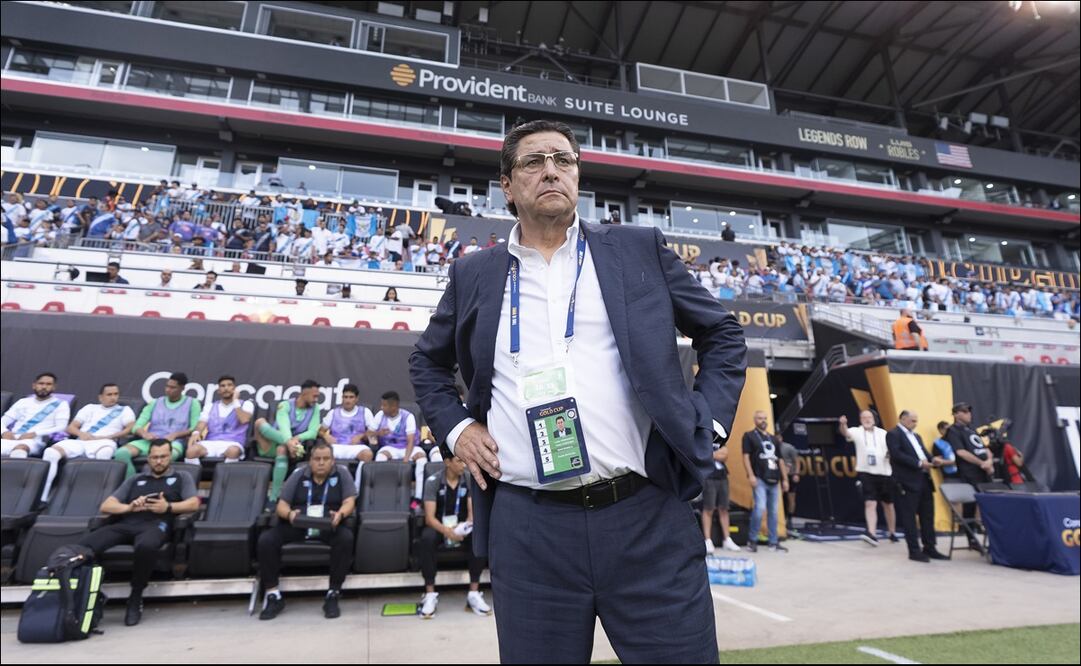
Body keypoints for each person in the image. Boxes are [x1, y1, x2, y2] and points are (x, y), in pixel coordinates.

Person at [410, 120, 746, 663]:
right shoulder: (474, 272)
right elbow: (427, 361)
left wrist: (705, 422)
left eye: (563, 160)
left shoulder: (638, 249)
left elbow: (723, 334)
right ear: (507, 184)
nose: (551, 171)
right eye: (533, 162)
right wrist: (457, 428)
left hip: (646, 515)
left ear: (578, 175)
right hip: (529, 528)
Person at [79, 438, 200, 626]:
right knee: (85, 545)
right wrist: (128, 507)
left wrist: (167, 507)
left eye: (163, 457)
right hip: (128, 522)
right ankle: (90, 593)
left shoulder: (182, 476)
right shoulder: (136, 479)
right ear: (148, 458)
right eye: (154, 457)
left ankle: (136, 596)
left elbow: (194, 503)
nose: (159, 461)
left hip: (157, 524)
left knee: (146, 546)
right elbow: (106, 505)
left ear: (170, 457)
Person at [258, 441, 356, 621]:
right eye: (317, 459)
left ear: (333, 461)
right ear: (310, 461)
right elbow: (281, 505)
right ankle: (273, 595)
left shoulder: (342, 474)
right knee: (266, 540)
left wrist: (341, 514)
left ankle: (333, 593)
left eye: (326, 459)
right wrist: (289, 515)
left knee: (345, 538)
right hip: (299, 523)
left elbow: (349, 501)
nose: (321, 463)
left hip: (328, 523)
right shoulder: (298, 475)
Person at [417, 442, 491, 618]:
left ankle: (474, 593)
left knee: (478, 537)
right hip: (440, 527)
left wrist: (463, 528)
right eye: (459, 461)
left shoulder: (468, 478)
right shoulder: (433, 482)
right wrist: (448, 531)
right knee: (426, 538)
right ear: (447, 462)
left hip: (461, 527)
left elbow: (472, 514)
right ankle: (429, 594)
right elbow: (429, 518)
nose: (463, 465)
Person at [42, 383, 135, 501]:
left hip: (105, 442)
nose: (113, 397)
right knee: (51, 452)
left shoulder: (124, 410)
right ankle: (43, 497)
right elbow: (71, 427)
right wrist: (81, 434)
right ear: (100, 397)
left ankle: (96, 496)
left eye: (116, 394)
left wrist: (109, 436)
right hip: (81, 441)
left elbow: (130, 428)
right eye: (109, 394)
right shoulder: (89, 407)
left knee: (104, 453)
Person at [885, 411, 947, 562]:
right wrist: (919, 463)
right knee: (909, 517)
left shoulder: (916, 436)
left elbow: (923, 453)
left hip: (924, 479)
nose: (915, 423)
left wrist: (934, 460)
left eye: (916, 421)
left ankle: (930, 547)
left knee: (927, 515)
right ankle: (914, 550)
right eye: (912, 420)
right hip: (907, 481)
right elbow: (897, 454)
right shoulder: (894, 434)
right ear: (903, 419)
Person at [116, 372, 200, 479]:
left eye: (173, 387)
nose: (168, 390)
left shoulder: (193, 403)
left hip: (174, 443)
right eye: (167, 386)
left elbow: (193, 428)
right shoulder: (155, 403)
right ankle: (133, 482)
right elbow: (137, 426)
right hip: (151, 441)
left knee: (167, 456)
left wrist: (175, 435)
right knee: (121, 453)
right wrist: (144, 434)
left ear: (182, 388)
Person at [254, 380, 323, 503]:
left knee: (282, 448)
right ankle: (288, 445)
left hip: (293, 450)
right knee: (259, 422)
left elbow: (313, 432)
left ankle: (274, 498)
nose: (316, 399)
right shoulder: (285, 405)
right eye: (314, 396)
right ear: (304, 394)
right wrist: (289, 441)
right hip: (270, 445)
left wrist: (296, 439)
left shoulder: (315, 408)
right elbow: (283, 426)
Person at [839, 410, 898, 546]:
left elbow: (891, 448)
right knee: (870, 503)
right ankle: (872, 533)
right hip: (867, 472)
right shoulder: (857, 431)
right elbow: (845, 433)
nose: (866, 419)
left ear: (874, 418)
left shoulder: (883, 433)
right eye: (864, 417)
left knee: (888, 504)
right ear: (860, 419)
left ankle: (892, 532)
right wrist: (843, 424)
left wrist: (890, 454)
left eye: (869, 417)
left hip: (885, 472)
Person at [369, 391, 435, 500]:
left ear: (394, 406)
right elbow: (368, 433)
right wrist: (378, 433)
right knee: (380, 457)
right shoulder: (380, 415)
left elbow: (411, 440)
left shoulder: (408, 416)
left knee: (422, 459)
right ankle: (382, 493)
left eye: (384, 405)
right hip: (390, 447)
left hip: (409, 448)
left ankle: (418, 497)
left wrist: (406, 460)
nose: (381, 407)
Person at [742, 412, 788, 553]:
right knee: (760, 508)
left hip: (774, 478)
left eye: (765, 418)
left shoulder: (773, 438)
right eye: (760, 418)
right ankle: (752, 540)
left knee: (773, 511)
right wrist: (750, 475)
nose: (763, 421)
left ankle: (773, 542)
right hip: (759, 478)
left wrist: (785, 478)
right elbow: (746, 456)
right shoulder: (749, 436)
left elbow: (780, 460)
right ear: (755, 420)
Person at [185, 375, 253, 465]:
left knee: (233, 452)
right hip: (211, 442)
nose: (226, 388)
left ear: (235, 388)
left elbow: (244, 420)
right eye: (223, 386)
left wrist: (235, 401)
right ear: (218, 390)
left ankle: (226, 478)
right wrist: (196, 433)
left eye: (229, 385)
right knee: (191, 451)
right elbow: (201, 423)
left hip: (233, 442)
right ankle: (194, 478)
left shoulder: (246, 404)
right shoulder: (210, 406)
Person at [2, 372, 70, 459]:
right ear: (34, 385)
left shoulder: (61, 404)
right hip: (11, 438)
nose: (44, 387)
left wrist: (35, 434)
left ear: (54, 387)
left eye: (48, 384)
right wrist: (4, 432)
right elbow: (3, 421)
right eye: (41, 383)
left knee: (20, 449)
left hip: (35, 441)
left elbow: (62, 427)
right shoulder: (23, 402)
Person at [319, 383, 375, 485]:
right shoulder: (333, 413)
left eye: (351, 397)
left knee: (368, 454)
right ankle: (330, 485)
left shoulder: (365, 412)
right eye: (345, 397)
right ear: (342, 398)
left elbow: (373, 432)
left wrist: (362, 436)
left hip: (356, 447)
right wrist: (326, 435)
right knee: (324, 454)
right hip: (336, 446)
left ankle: (357, 486)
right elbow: (321, 430)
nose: (348, 400)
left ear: (356, 399)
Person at [702, 433, 740, 553]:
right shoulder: (702, 438)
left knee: (724, 508)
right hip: (709, 477)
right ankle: (708, 540)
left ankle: (727, 539)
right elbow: (702, 455)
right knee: (709, 508)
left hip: (722, 476)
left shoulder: (721, 438)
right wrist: (715, 454)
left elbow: (725, 454)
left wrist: (711, 454)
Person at [945, 402, 994, 490]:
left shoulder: (972, 429)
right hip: (970, 473)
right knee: (973, 501)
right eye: (965, 411)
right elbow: (961, 452)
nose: (969, 414)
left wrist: (989, 462)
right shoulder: (953, 430)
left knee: (989, 499)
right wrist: (982, 463)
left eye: (969, 411)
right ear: (956, 414)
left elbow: (985, 448)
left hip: (984, 472)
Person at [777, 433, 800, 534]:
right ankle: (779, 519)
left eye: (778, 437)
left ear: (781, 437)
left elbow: (797, 461)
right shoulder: (771, 447)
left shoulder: (789, 447)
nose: (777, 439)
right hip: (777, 476)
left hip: (790, 475)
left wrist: (796, 474)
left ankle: (789, 518)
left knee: (791, 497)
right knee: (779, 498)